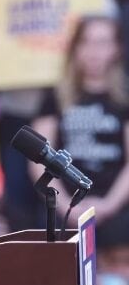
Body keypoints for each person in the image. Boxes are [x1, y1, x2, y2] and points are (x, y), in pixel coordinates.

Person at [30, 15, 129, 250]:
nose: (94, 51)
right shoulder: (55, 96)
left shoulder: (124, 98)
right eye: (86, 42)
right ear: (76, 48)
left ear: (115, 49)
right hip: (64, 203)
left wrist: (108, 206)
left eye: (102, 43)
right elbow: (37, 159)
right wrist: (66, 206)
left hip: (113, 203)